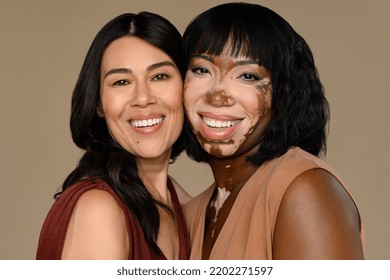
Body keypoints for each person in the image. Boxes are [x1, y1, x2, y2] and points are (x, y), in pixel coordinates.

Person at [182, 2, 364, 259]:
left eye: (248, 76)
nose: (217, 95)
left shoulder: (303, 191)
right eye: (202, 70)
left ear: (284, 93)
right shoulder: (195, 212)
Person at [36, 12, 191, 260]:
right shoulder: (99, 210)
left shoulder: (176, 201)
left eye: (160, 76)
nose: (143, 98)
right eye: (121, 82)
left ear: (187, 88)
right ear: (98, 103)